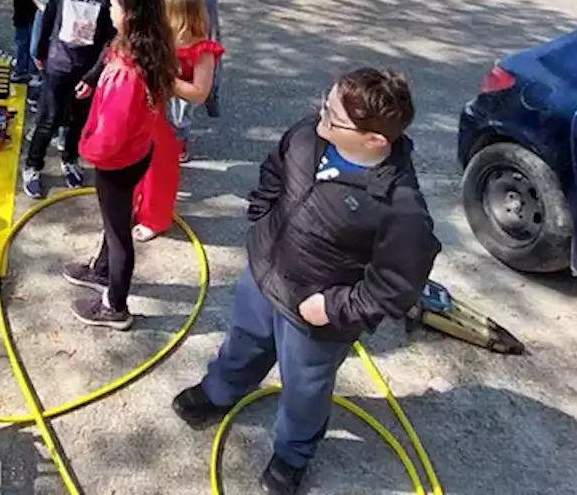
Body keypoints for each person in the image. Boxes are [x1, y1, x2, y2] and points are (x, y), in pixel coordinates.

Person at [171, 68, 442, 495]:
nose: (321, 116)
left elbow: (395, 284)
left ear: (375, 141)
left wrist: (332, 309)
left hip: (314, 313)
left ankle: (293, 453)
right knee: (242, 340)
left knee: (305, 386)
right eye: (325, 102)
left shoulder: (400, 208)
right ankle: (220, 390)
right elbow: (274, 171)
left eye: (334, 116)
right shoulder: (310, 134)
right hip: (264, 276)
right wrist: (260, 224)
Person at [62, 0, 177, 330]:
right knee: (117, 217)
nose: (109, 10)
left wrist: (87, 149)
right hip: (138, 151)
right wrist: (95, 79)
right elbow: (108, 59)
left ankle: (115, 306)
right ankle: (101, 268)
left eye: (113, 5)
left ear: (129, 13)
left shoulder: (128, 73)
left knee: (118, 230)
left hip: (118, 159)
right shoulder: (145, 47)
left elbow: (111, 132)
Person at [24, 0, 116, 200]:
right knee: (48, 119)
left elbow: (109, 39)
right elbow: (50, 15)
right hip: (58, 62)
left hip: (86, 68)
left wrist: (93, 75)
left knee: (78, 120)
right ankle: (33, 165)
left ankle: (70, 159)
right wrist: (40, 50)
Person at [133, 0, 224, 242]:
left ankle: (155, 218)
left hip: (170, 119)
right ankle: (134, 203)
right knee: (136, 161)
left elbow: (199, 92)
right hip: (148, 113)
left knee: (161, 170)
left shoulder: (203, 50)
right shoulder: (160, 40)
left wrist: (165, 77)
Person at [144, 0, 221, 141]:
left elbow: (210, 32)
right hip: (153, 47)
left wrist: (211, 80)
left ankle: (180, 141)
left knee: (180, 112)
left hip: (183, 61)